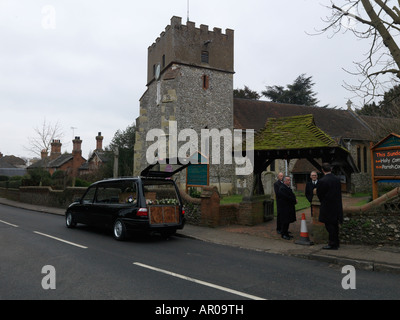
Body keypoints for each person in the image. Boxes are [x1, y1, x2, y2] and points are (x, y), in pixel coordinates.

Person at [317, 163, 343, 250]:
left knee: (329, 225)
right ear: (330, 169)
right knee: (335, 225)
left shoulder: (322, 181)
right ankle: (336, 242)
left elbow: (319, 194)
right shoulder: (337, 179)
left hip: (327, 206)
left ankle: (332, 244)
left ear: (322, 170)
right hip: (336, 205)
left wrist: (323, 201)